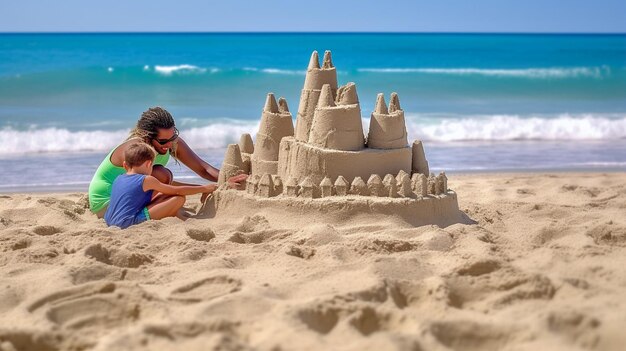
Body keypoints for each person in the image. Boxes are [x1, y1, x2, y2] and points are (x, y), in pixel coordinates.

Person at [89, 106, 242, 217]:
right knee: (162, 175)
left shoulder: (170, 141)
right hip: (108, 203)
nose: (169, 144)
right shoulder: (137, 151)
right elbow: (153, 183)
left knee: (170, 188)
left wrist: (226, 180)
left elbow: (202, 168)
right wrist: (206, 188)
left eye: (173, 137)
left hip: (131, 194)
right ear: (147, 137)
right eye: (163, 141)